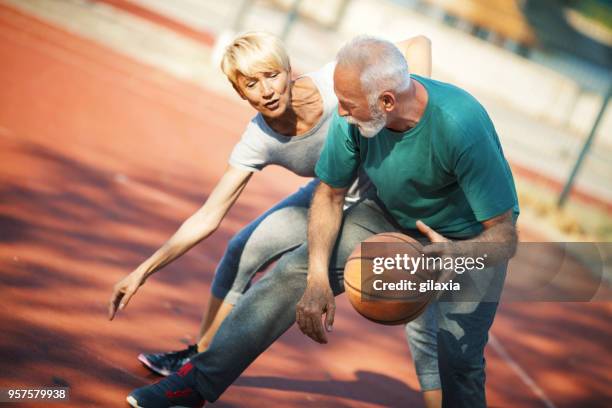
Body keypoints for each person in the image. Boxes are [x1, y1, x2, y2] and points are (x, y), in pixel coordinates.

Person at [123, 36, 518, 408]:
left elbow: (504, 238)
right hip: (388, 214)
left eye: (348, 104)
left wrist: (454, 254)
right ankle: (194, 385)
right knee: (292, 271)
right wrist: (315, 279)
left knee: (458, 354)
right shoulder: (354, 118)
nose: (340, 112)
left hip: (467, 242)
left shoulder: (461, 126)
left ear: (385, 100)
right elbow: (328, 195)